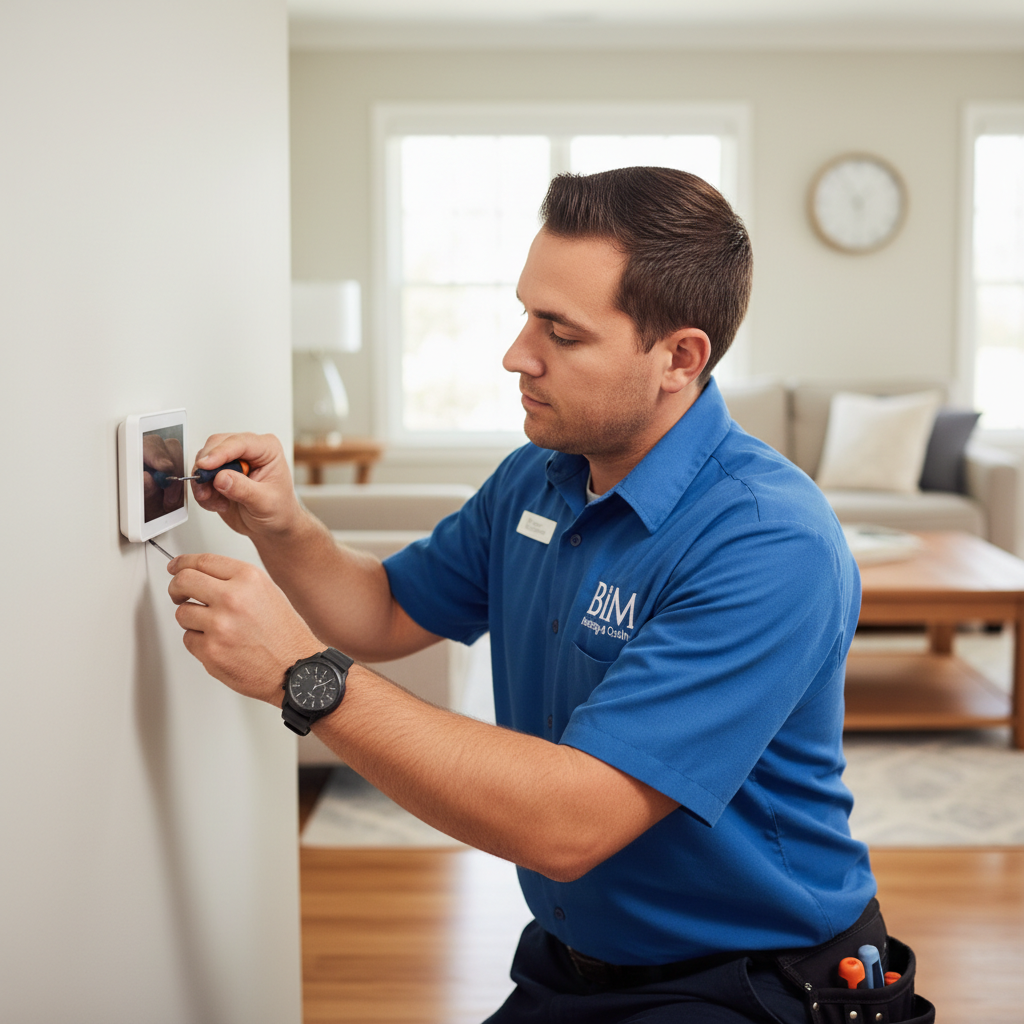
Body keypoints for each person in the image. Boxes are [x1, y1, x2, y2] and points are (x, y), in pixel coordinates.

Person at [168, 167, 880, 1024]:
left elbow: (567, 825)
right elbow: (388, 610)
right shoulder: (537, 481)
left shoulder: (768, 540)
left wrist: (301, 676)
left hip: (754, 982)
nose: (517, 354)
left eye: (562, 333)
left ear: (679, 359)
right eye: (524, 313)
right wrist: (284, 527)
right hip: (570, 965)